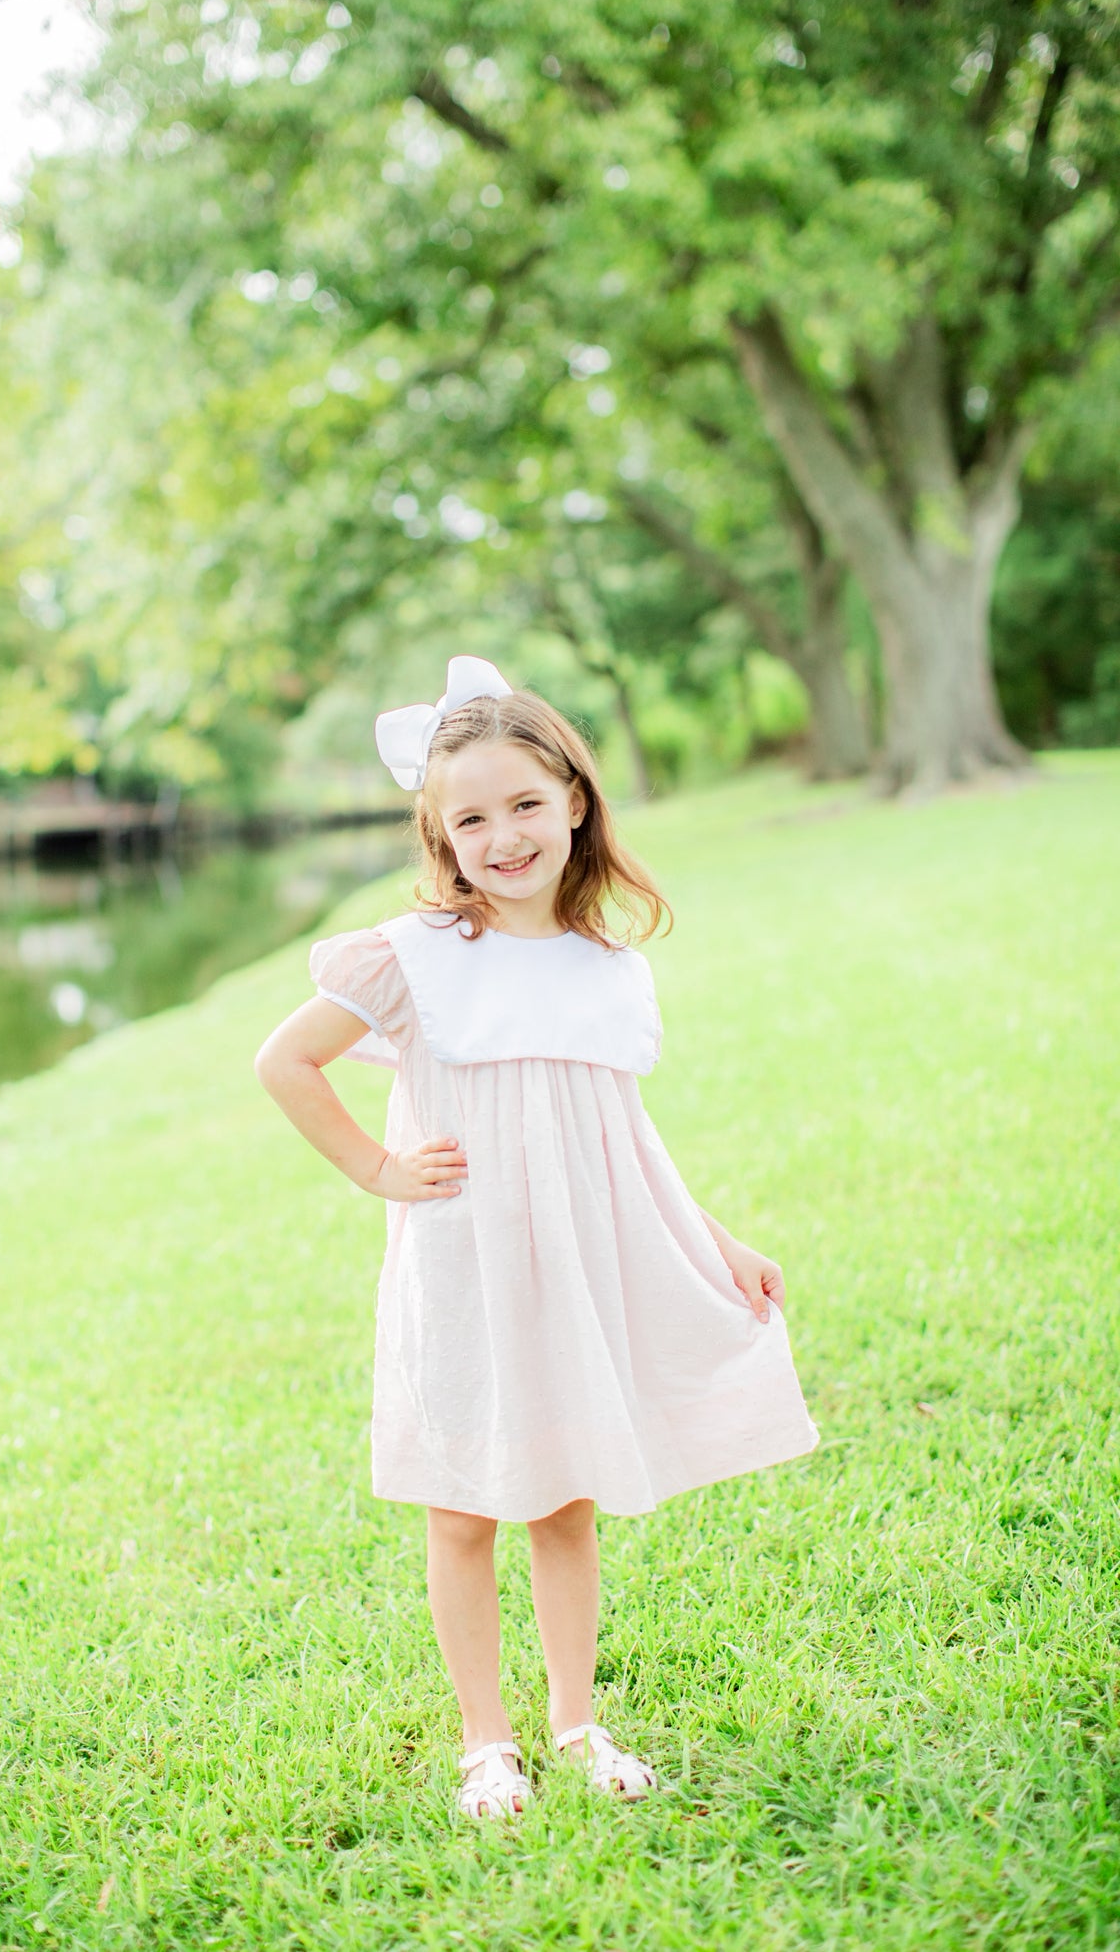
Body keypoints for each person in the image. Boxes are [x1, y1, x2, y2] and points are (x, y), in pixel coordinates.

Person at [254, 655, 820, 1822]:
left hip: (572, 1266)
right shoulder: (413, 958)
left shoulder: (607, 968)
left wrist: (716, 1240)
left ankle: (575, 1721)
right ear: (441, 834)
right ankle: (487, 1740)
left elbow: (620, 1138)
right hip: (463, 1266)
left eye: (524, 804)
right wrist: (378, 1169)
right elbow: (285, 1060)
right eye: (471, 819)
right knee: (462, 1505)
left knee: (565, 1497)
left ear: (573, 799)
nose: (504, 836)